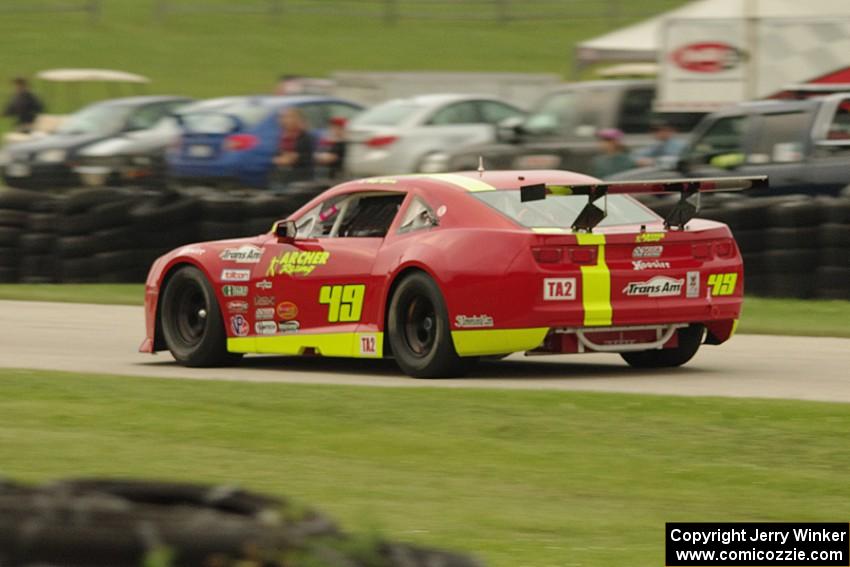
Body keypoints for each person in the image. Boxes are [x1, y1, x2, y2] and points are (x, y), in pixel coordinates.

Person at [272, 107, 314, 188]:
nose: (285, 120)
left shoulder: (305, 137)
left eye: (289, 117)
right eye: (283, 117)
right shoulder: (279, 136)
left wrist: (294, 158)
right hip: (281, 177)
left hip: (300, 179)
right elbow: (275, 156)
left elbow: (306, 157)